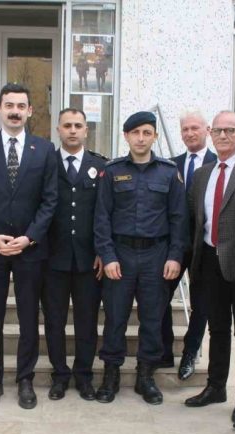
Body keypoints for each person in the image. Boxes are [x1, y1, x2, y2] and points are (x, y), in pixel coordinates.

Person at [0, 83, 58, 410]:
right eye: (9, 105)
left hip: (30, 250)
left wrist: (29, 237)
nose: (15, 111)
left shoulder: (44, 149)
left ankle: (25, 379)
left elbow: (50, 200)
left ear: (30, 111)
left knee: (28, 316)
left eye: (21, 106)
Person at [93, 111, 187, 405]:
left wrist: (175, 256)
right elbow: (101, 217)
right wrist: (107, 256)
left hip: (156, 256)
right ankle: (111, 375)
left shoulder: (169, 173)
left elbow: (179, 218)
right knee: (115, 317)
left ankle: (146, 376)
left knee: (152, 318)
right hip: (120, 254)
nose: (141, 138)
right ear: (126, 136)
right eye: (135, 133)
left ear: (155, 136)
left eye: (147, 133)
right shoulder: (112, 171)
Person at [183, 111, 235, 423]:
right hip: (208, 261)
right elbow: (194, 219)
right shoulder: (203, 174)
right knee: (216, 328)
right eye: (219, 131)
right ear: (210, 134)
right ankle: (215, 387)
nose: (224, 136)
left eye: (231, 130)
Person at [42, 108, 107, 401]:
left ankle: (84, 376)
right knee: (54, 321)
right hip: (52, 259)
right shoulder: (46, 163)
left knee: (86, 322)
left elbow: (104, 213)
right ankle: (59, 375)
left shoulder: (100, 166)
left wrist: (102, 251)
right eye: (66, 125)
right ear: (58, 130)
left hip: (88, 260)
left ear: (86, 130)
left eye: (77, 125)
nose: (72, 130)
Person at [165, 108, 217, 379]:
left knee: (202, 303)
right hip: (174, 245)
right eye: (185, 129)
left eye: (195, 128)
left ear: (207, 130)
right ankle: (164, 349)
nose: (189, 133)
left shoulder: (219, 163)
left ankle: (189, 353)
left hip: (204, 248)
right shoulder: (170, 165)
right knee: (159, 296)